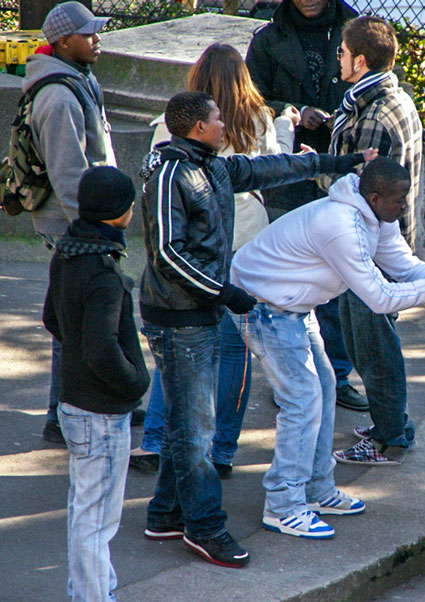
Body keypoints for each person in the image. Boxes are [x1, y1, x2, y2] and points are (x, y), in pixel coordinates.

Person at [138, 91, 372, 567]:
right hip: (178, 320)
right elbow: (166, 253)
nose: (224, 124)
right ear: (197, 128)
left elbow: (274, 168)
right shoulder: (169, 175)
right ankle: (205, 528)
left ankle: (165, 514)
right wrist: (223, 292)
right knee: (196, 431)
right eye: (217, 119)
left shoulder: (215, 168)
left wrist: (339, 161)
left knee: (189, 423)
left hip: (199, 313)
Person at [228, 157, 425, 539]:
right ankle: (283, 505)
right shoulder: (341, 226)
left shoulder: (376, 216)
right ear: (375, 197)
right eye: (398, 200)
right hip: (262, 306)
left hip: (293, 306)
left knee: (324, 389)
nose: (404, 208)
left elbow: (405, 267)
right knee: (302, 401)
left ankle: (316, 490)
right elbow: (380, 297)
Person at [129, 43, 299, 478]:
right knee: (232, 351)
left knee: (180, 351)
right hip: (246, 240)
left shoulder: (174, 124)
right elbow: (275, 164)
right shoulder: (258, 120)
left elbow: (151, 177)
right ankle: (221, 450)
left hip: (192, 249)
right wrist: (285, 125)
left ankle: (155, 440)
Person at [246, 0, 369, 414]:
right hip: (289, 173)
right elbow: (252, 98)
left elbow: (380, 85)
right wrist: (291, 113)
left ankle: (336, 373)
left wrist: (344, 118)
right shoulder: (266, 40)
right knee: (291, 280)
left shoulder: (358, 30)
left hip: (342, 168)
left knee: (339, 275)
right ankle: (290, 375)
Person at [23, 1, 138, 444]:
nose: (97, 38)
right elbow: (68, 174)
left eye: (97, 31)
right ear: (63, 41)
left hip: (88, 224)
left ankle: (68, 407)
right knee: (74, 320)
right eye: (88, 33)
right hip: (74, 227)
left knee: (79, 317)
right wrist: (97, 232)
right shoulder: (57, 95)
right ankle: (60, 413)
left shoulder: (79, 78)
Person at [42, 166, 151, 602]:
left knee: (84, 508)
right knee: (98, 518)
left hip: (74, 401)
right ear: (117, 214)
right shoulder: (104, 275)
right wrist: (132, 384)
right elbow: (101, 348)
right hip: (102, 411)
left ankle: (90, 589)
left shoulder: (68, 252)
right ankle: (92, 596)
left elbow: (52, 318)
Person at [322, 16, 425, 466]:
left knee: (373, 347)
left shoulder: (374, 115)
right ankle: (394, 424)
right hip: (386, 245)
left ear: (361, 60)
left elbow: (356, 190)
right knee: (375, 339)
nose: (338, 59)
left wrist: (317, 167)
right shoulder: (392, 99)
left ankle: (388, 439)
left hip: (371, 250)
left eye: (342, 53)